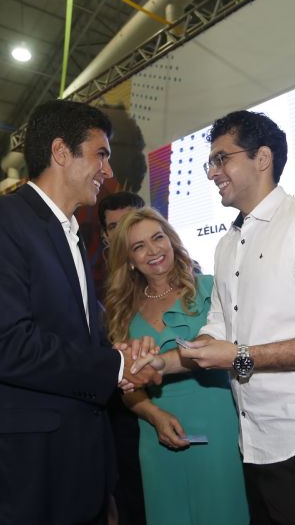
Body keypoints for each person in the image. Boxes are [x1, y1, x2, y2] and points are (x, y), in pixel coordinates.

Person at [134, 110, 295, 523]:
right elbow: (215, 334)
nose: (213, 173)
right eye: (210, 162)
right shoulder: (228, 244)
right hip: (255, 443)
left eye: (221, 158)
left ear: (262, 158)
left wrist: (243, 356)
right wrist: (159, 362)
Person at [0, 99, 159, 525]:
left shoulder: (71, 238)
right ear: (60, 152)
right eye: (101, 154)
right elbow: (5, 345)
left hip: (72, 473)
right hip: (15, 480)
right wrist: (115, 364)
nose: (108, 171)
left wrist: (121, 357)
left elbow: (73, 343)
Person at [106, 207, 248, 525]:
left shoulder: (210, 290)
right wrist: (155, 416)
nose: (153, 250)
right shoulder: (122, 313)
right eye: (139, 246)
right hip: (155, 436)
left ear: (172, 242)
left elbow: (223, 353)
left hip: (217, 426)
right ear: (129, 260)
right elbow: (128, 389)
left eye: (158, 238)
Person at [99, 191, 147, 525]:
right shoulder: (93, 282)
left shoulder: (177, 272)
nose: (122, 233)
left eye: (130, 222)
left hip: (172, 403)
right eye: (114, 226)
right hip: (119, 417)